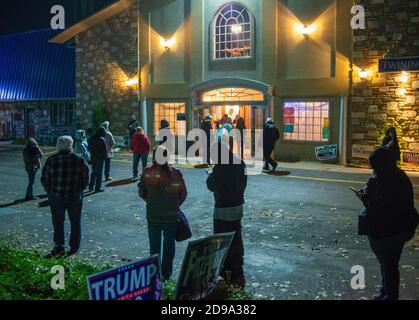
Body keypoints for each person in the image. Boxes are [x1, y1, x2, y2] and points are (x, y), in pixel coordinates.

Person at [357, 147, 419, 300]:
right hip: (401, 228)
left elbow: (378, 208)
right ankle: (386, 291)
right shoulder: (399, 176)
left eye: (374, 167)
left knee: (388, 263)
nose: (373, 170)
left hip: (389, 231)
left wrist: (365, 198)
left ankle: (390, 294)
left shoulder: (383, 182)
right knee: (388, 263)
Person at [138, 145, 187, 280]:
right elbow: (183, 193)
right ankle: (167, 274)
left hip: (153, 215)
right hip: (171, 216)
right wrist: (175, 204)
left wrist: (151, 201)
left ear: (154, 156)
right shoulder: (176, 173)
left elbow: (142, 192)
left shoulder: (147, 172)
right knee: (169, 246)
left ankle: (155, 274)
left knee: (154, 247)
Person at [206, 142, 247, 289]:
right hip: (237, 207)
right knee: (236, 236)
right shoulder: (240, 163)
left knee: (221, 238)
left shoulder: (220, 167)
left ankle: (224, 267)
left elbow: (211, 185)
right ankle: (237, 265)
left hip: (223, 208)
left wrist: (211, 174)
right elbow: (244, 183)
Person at [41, 136, 89, 258]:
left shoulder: (51, 160)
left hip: (57, 196)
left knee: (57, 221)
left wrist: (50, 191)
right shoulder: (79, 159)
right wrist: (80, 190)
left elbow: (44, 179)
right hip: (74, 195)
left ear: (58, 145)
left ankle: (59, 245)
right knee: (75, 221)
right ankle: (74, 246)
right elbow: (85, 178)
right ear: (71, 145)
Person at [88, 127, 108, 193]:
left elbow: (89, 148)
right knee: (99, 174)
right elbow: (105, 150)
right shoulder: (102, 139)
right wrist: (105, 157)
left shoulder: (92, 138)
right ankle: (97, 188)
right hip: (100, 158)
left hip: (93, 157)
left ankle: (91, 186)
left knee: (93, 172)